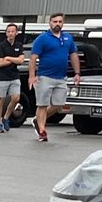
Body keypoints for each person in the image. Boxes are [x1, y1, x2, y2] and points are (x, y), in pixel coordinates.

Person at [27, 12, 80, 142]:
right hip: (44, 76)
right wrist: (32, 76)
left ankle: (37, 120)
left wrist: (77, 73)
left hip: (61, 77)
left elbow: (73, 55)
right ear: (50, 22)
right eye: (55, 21)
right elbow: (33, 57)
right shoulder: (43, 38)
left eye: (60, 22)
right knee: (42, 104)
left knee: (58, 104)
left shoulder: (68, 38)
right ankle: (42, 130)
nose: (57, 24)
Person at [0, 21, 28, 134]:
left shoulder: (19, 46)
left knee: (16, 98)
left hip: (14, 76)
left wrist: (9, 58)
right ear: (6, 33)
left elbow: (21, 60)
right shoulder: (1, 46)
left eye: (12, 31)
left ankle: (6, 117)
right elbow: (0, 63)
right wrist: (13, 59)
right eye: (8, 32)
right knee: (0, 100)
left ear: (16, 33)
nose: (10, 33)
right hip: (2, 76)